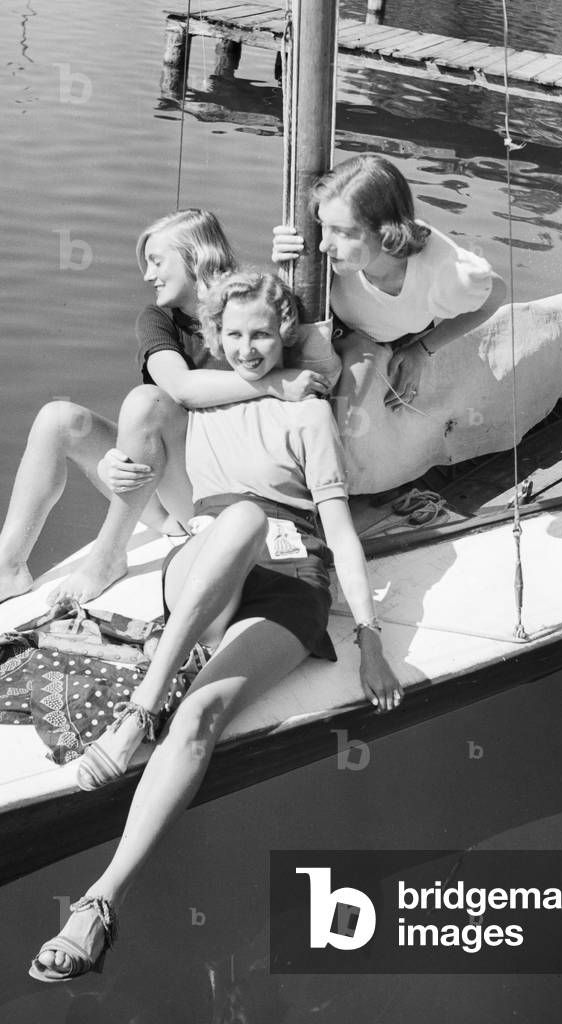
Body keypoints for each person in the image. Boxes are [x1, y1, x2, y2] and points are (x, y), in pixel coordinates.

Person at [29, 270, 403, 982]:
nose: (248, 348)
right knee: (237, 518)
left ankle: (99, 903)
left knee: (200, 714)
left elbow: (341, 533)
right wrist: (114, 464)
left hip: (290, 584)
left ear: (286, 329)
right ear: (212, 337)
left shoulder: (307, 412)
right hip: (206, 566)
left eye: (262, 333)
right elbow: (141, 433)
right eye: (232, 335)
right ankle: (143, 712)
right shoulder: (199, 402)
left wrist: (371, 638)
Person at [0, 210, 328, 633]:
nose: (148, 275)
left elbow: (314, 326)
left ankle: (108, 556)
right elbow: (180, 388)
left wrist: (292, 257)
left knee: (145, 402)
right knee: (59, 419)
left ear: (195, 257)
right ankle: (7, 568)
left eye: (157, 260)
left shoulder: (250, 314)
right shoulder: (157, 319)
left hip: (221, 500)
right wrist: (275, 382)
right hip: (170, 494)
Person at [272, 154, 506, 492]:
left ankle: (330, 492)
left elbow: (495, 295)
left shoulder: (448, 274)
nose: (324, 243)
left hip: (375, 339)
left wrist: (422, 350)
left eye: (343, 232)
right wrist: (286, 263)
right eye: (323, 225)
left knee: (350, 403)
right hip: (323, 318)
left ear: (385, 233)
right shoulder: (324, 244)